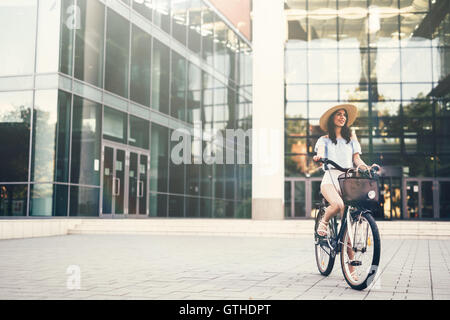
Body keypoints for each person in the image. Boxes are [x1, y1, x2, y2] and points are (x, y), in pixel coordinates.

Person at [313, 104, 374, 237]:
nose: (343, 117)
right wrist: (320, 157)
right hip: (330, 178)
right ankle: (323, 222)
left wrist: (368, 168)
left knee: (348, 222)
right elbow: (322, 153)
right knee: (337, 205)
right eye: (339, 114)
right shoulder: (324, 140)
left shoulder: (351, 138)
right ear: (332, 118)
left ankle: (350, 258)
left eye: (344, 115)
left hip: (348, 179)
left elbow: (357, 159)